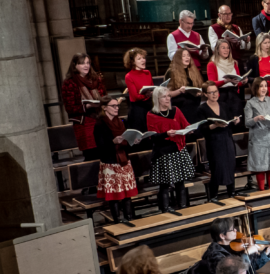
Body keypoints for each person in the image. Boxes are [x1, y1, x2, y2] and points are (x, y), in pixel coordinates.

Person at [147, 86, 195, 214]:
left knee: (180, 181)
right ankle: (166, 209)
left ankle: (183, 206)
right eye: (164, 96)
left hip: (178, 149)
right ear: (157, 99)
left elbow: (185, 124)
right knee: (165, 184)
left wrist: (190, 129)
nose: (168, 99)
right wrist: (166, 134)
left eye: (168, 96)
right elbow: (152, 136)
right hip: (163, 152)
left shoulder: (175, 110)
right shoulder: (151, 115)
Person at [94, 95, 139, 223]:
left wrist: (133, 141)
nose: (116, 108)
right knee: (114, 196)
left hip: (124, 160)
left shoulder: (121, 122)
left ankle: (129, 218)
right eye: (113, 106)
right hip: (110, 162)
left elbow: (126, 140)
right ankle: (117, 221)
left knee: (127, 195)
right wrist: (112, 142)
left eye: (117, 106)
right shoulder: (100, 124)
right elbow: (100, 146)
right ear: (104, 108)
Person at [199, 81, 241, 199]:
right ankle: (213, 195)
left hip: (227, 139)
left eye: (216, 91)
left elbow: (229, 121)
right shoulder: (202, 109)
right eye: (211, 92)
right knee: (217, 167)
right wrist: (214, 125)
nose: (214, 94)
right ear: (205, 94)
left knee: (230, 165)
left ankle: (231, 192)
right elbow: (202, 128)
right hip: (214, 142)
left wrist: (235, 120)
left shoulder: (224, 105)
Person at [61, 52, 106, 160]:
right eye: (82, 63)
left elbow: (104, 96)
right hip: (84, 123)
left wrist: (105, 103)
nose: (86, 66)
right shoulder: (69, 83)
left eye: (88, 63)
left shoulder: (96, 80)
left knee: (105, 153)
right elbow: (70, 107)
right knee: (92, 156)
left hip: (100, 120)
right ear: (75, 66)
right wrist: (87, 106)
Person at [207, 39, 248, 117]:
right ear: (217, 50)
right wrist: (225, 81)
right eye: (223, 48)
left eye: (228, 48)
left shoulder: (234, 63)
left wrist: (242, 82)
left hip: (234, 95)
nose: (226, 50)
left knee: (237, 120)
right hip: (221, 96)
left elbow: (238, 82)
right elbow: (211, 84)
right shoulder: (212, 64)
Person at [166, 48, 204, 124]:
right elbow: (167, 93)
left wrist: (200, 93)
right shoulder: (171, 72)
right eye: (184, 56)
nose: (187, 58)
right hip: (180, 104)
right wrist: (179, 90)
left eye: (188, 55)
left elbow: (199, 87)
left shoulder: (194, 71)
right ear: (178, 58)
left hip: (194, 102)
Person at [123, 48, 153, 133]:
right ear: (132, 62)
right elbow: (135, 96)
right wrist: (146, 95)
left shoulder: (148, 73)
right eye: (139, 59)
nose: (143, 60)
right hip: (138, 109)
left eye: (143, 58)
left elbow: (151, 88)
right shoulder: (129, 76)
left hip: (149, 105)